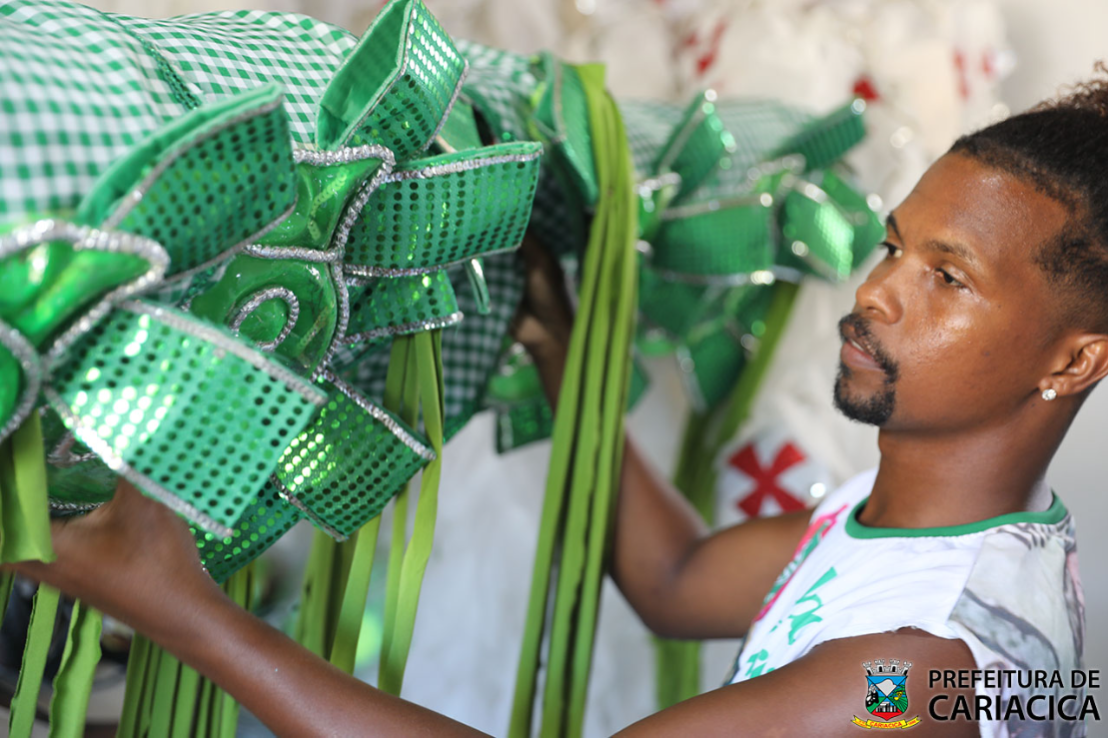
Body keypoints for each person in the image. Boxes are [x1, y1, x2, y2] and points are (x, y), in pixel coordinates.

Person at [11, 69, 1108, 739]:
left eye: (947, 278)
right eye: (891, 245)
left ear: (1071, 360)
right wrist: (558, 343)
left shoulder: (916, 674)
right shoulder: (917, 539)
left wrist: (178, 606)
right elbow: (677, 581)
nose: (874, 291)